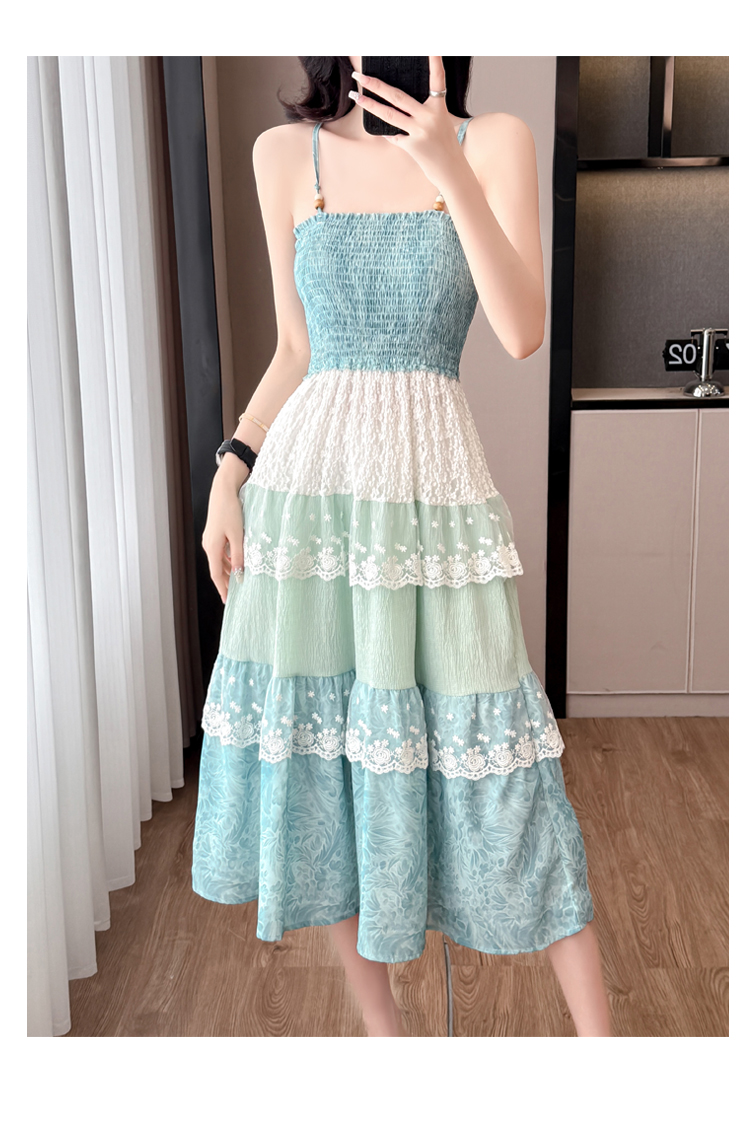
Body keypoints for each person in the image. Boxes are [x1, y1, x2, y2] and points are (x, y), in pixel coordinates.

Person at [192, 55, 612, 1038]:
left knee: (503, 760)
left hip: (432, 499)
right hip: (312, 506)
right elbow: (297, 351)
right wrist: (229, 469)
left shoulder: (492, 142)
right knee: (332, 761)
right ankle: (390, 1045)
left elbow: (521, 331)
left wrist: (447, 166)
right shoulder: (282, 154)